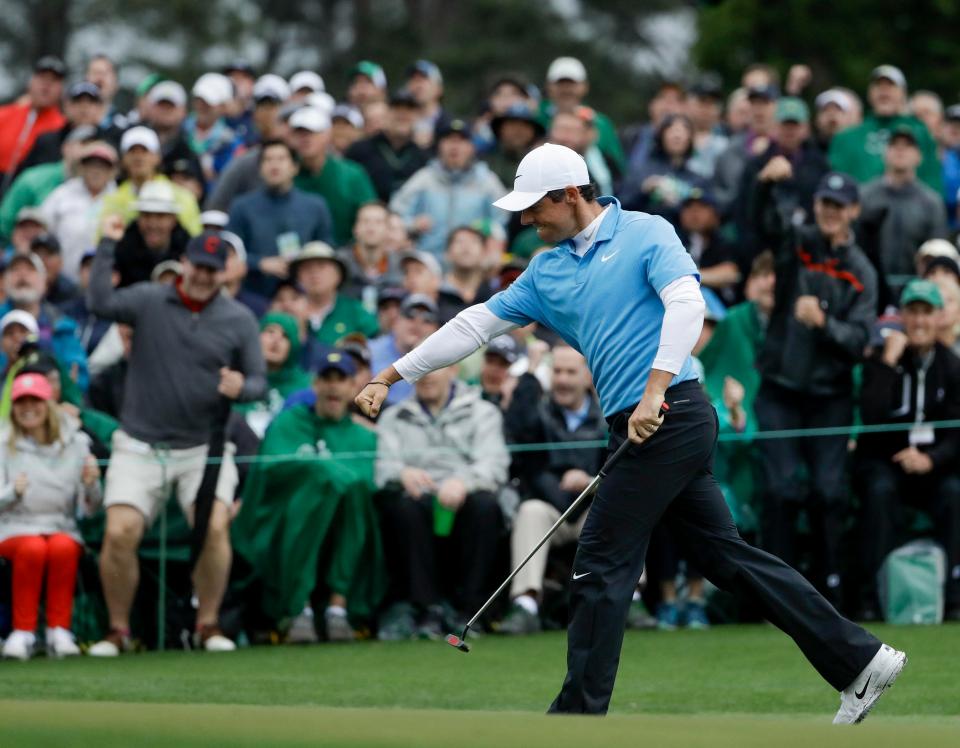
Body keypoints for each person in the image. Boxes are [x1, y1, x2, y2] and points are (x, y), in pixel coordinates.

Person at [356, 143, 901, 722]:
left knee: (600, 560)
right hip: (638, 421)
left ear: (570, 195)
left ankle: (575, 718)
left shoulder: (646, 231)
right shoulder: (546, 269)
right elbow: (474, 324)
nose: (524, 219)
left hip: (673, 412)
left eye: (534, 206)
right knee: (724, 557)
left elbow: (686, 306)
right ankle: (859, 660)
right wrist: (392, 374)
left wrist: (654, 390)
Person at [86, 222, 266, 655]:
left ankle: (207, 624)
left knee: (215, 528)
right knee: (120, 531)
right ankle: (118, 630)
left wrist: (240, 387)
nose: (204, 275)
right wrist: (108, 244)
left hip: (204, 444)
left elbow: (259, 380)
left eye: (212, 268)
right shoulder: (150, 300)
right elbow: (100, 301)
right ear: (184, 263)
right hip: (141, 442)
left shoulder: (239, 319)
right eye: (198, 265)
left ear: (225, 272)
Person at [753, 163, 878, 610]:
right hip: (781, 390)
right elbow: (769, 224)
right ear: (816, 205)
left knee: (830, 494)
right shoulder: (798, 244)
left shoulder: (863, 269)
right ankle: (778, 599)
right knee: (781, 491)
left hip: (830, 397)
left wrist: (824, 323)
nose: (830, 212)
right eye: (825, 203)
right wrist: (766, 186)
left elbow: (862, 341)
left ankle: (830, 595)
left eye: (839, 206)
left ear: (853, 211)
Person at [232, 350, 386, 643]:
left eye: (340, 379)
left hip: (344, 529)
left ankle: (338, 607)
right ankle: (297, 606)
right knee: (315, 487)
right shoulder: (290, 422)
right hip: (284, 525)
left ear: (354, 386)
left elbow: (368, 485)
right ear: (314, 385)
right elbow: (272, 471)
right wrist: (321, 470)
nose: (332, 386)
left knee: (353, 493)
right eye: (326, 378)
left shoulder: (364, 436)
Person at [375, 363, 508, 640]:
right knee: (403, 509)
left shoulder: (483, 412)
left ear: (454, 369)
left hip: (466, 497)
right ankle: (426, 608)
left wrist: (464, 482)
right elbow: (382, 469)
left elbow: (494, 465)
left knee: (486, 506)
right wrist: (402, 473)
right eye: (419, 370)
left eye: (434, 367)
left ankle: (472, 611)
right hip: (417, 499)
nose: (426, 377)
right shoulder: (393, 416)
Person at [854, 279, 960, 621]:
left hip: (933, 467)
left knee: (955, 494)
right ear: (901, 317)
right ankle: (871, 596)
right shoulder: (881, 360)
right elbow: (871, 417)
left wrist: (931, 459)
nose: (918, 322)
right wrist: (888, 361)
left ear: (938, 317)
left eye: (926, 313)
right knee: (879, 491)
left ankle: (954, 597)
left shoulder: (952, 367)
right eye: (912, 312)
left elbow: (957, 433)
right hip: (886, 463)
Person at [498, 344, 608, 635]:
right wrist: (531, 371)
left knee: (620, 509)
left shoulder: (608, 415)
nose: (562, 380)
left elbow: (624, 467)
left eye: (571, 372)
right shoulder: (539, 412)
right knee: (530, 512)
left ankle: (631, 597)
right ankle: (525, 604)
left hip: (592, 506)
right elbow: (517, 432)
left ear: (588, 376)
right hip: (550, 508)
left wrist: (591, 480)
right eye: (556, 371)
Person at [0, 373, 101, 660]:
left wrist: (93, 483)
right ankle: (23, 632)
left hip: (61, 527)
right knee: (33, 547)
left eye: (35, 400)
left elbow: (91, 508)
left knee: (62, 547)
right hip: (11, 528)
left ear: (49, 404)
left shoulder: (78, 443)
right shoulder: (2, 441)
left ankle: (59, 629)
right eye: (21, 401)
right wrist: (11, 493)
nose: (28, 407)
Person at [227, 140, 333, 302]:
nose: (274, 165)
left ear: (294, 167)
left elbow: (327, 248)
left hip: (304, 295)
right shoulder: (242, 206)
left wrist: (303, 262)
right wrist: (261, 263)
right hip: (254, 294)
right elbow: (230, 255)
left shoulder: (315, 206)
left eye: (281, 159)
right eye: (268, 160)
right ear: (260, 169)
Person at [390, 119, 506, 258]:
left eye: (461, 140)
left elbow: (502, 222)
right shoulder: (424, 179)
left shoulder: (487, 181)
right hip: (428, 262)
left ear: (472, 147)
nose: (454, 146)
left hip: (471, 263)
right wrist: (412, 225)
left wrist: (488, 228)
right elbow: (395, 214)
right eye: (449, 140)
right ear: (439, 146)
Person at [859, 127, 949, 296]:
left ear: (919, 156)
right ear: (885, 153)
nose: (900, 150)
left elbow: (937, 254)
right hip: (869, 286)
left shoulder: (931, 203)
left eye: (908, 146)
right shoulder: (865, 196)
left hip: (917, 290)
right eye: (894, 145)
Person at [829, 65, 941, 192]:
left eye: (891, 86)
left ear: (903, 93)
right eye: (878, 86)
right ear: (869, 93)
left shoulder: (919, 133)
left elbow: (933, 182)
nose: (884, 91)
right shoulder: (847, 138)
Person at [290, 107, 378, 247]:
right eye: (299, 133)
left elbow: (371, 215)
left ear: (327, 135)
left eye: (312, 132)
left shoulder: (352, 174)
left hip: (345, 255)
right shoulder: (286, 176)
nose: (305, 138)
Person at [99, 126, 201, 235]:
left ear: (157, 157)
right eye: (132, 151)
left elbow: (193, 240)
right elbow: (102, 239)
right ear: (123, 159)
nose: (138, 157)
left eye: (144, 151)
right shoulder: (112, 200)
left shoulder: (181, 197)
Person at [289, 241, 379, 365]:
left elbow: (376, 347)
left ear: (338, 274)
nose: (314, 273)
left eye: (321, 266)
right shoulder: (288, 312)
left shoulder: (355, 311)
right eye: (307, 268)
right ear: (298, 277)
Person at [40, 141, 117, 281]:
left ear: (112, 171)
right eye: (91, 165)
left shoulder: (119, 199)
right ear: (81, 168)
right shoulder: (62, 194)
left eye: (102, 166)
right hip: (62, 278)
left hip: (103, 280)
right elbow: (42, 229)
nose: (96, 171)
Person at [538, 56, 625, 174]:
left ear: (585, 87)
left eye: (572, 84)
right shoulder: (535, 116)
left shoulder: (600, 123)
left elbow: (617, 166)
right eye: (560, 83)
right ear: (549, 86)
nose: (566, 89)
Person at [234, 312, 312, 439]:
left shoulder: (305, 386)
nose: (276, 340)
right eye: (270, 331)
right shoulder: (237, 378)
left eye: (285, 336)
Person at [344, 90, 429, 202]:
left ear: (417, 117)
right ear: (386, 114)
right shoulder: (359, 151)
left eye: (409, 110)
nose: (403, 115)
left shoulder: (423, 157)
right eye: (397, 109)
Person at [0, 57, 66, 196]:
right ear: (31, 82)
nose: (46, 86)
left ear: (60, 89)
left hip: (30, 191)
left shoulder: (61, 126)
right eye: (42, 79)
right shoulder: (6, 115)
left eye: (53, 81)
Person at [16, 81, 110, 174]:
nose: (84, 107)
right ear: (66, 106)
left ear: (101, 109)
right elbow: (27, 176)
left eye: (91, 102)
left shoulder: (111, 142)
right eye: (77, 101)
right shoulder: (46, 142)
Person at [111, 180, 191, 287]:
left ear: (173, 220)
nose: (153, 224)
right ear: (138, 219)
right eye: (147, 215)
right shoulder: (120, 252)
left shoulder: (190, 252)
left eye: (160, 216)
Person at [368, 294, 440, 408]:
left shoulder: (443, 360)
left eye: (427, 319)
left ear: (437, 330)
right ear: (396, 322)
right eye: (410, 315)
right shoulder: (369, 351)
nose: (418, 322)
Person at [339, 202, 402, 310]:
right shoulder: (339, 264)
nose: (371, 227)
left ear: (388, 230)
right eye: (365, 221)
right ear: (355, 229)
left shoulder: (400, 265)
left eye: (378, 222)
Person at [405, 60, 451, 148]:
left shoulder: (450, 123)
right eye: (414, 80)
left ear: (439, 89)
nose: (418, 85)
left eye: (423, 79)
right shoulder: (398, 123)